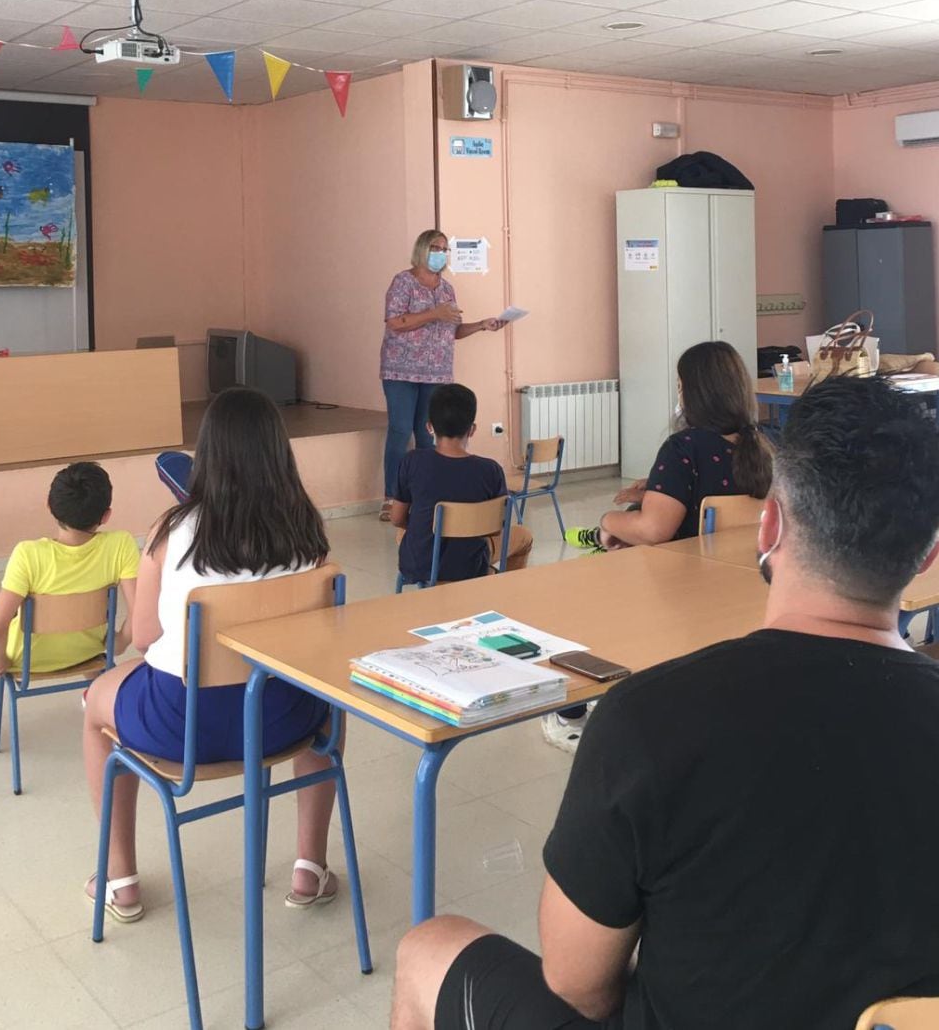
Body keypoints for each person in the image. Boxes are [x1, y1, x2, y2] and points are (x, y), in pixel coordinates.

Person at [391, 375, 939, 1030]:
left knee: (428, 948)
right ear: (929, 555)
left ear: (769, 524)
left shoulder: (646, 721)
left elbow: (576, 986)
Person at [82, 387, 339, 923]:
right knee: (326, 707)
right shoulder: (308, 531)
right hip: (281, 717)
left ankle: (119, 879)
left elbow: (146, 638)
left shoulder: (171, 530)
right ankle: (309, 867)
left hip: (182, 725)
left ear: (209, 454)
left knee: (94, 709)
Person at [545, 340, 773, 753]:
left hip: (677, 593)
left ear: (690, 391)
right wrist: (655, 488)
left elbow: (653, 531)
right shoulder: (763, 449)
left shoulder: (684, 449)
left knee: (579, 593)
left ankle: (570, 715)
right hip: (741, 591)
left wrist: (608, 523)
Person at [0, 462, 139, 758]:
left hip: (25, 658)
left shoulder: (29, 554)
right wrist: (118, 643)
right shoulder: (122, 545)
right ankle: (95, 691)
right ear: (106, 515)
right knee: (85, 618)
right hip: (91, 650)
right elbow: (138, 615)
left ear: (50, 506)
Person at [380, 229, 506, 522]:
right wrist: (434, 313)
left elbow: (454, 330)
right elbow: (395, 322)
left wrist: (481, 325)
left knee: (428, 433)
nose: (441, 253)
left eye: (445, 249)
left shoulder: (447, 289)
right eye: (436, 247)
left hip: (436, 373)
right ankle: (392, 498)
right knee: (400, 432)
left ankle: (428, 493)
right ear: (422, 250)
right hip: (401, 369)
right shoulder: (403, 282)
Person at [391, 384, 532, 585]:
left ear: (429, 426)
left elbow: (397, 518)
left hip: (420, 565)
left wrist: (433, 527)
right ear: (472, 429)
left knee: (405, 531)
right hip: (470, 565)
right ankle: (504, 593)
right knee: (523, 537)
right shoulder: (490, 470)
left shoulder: (411, 461)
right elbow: (497, 527)